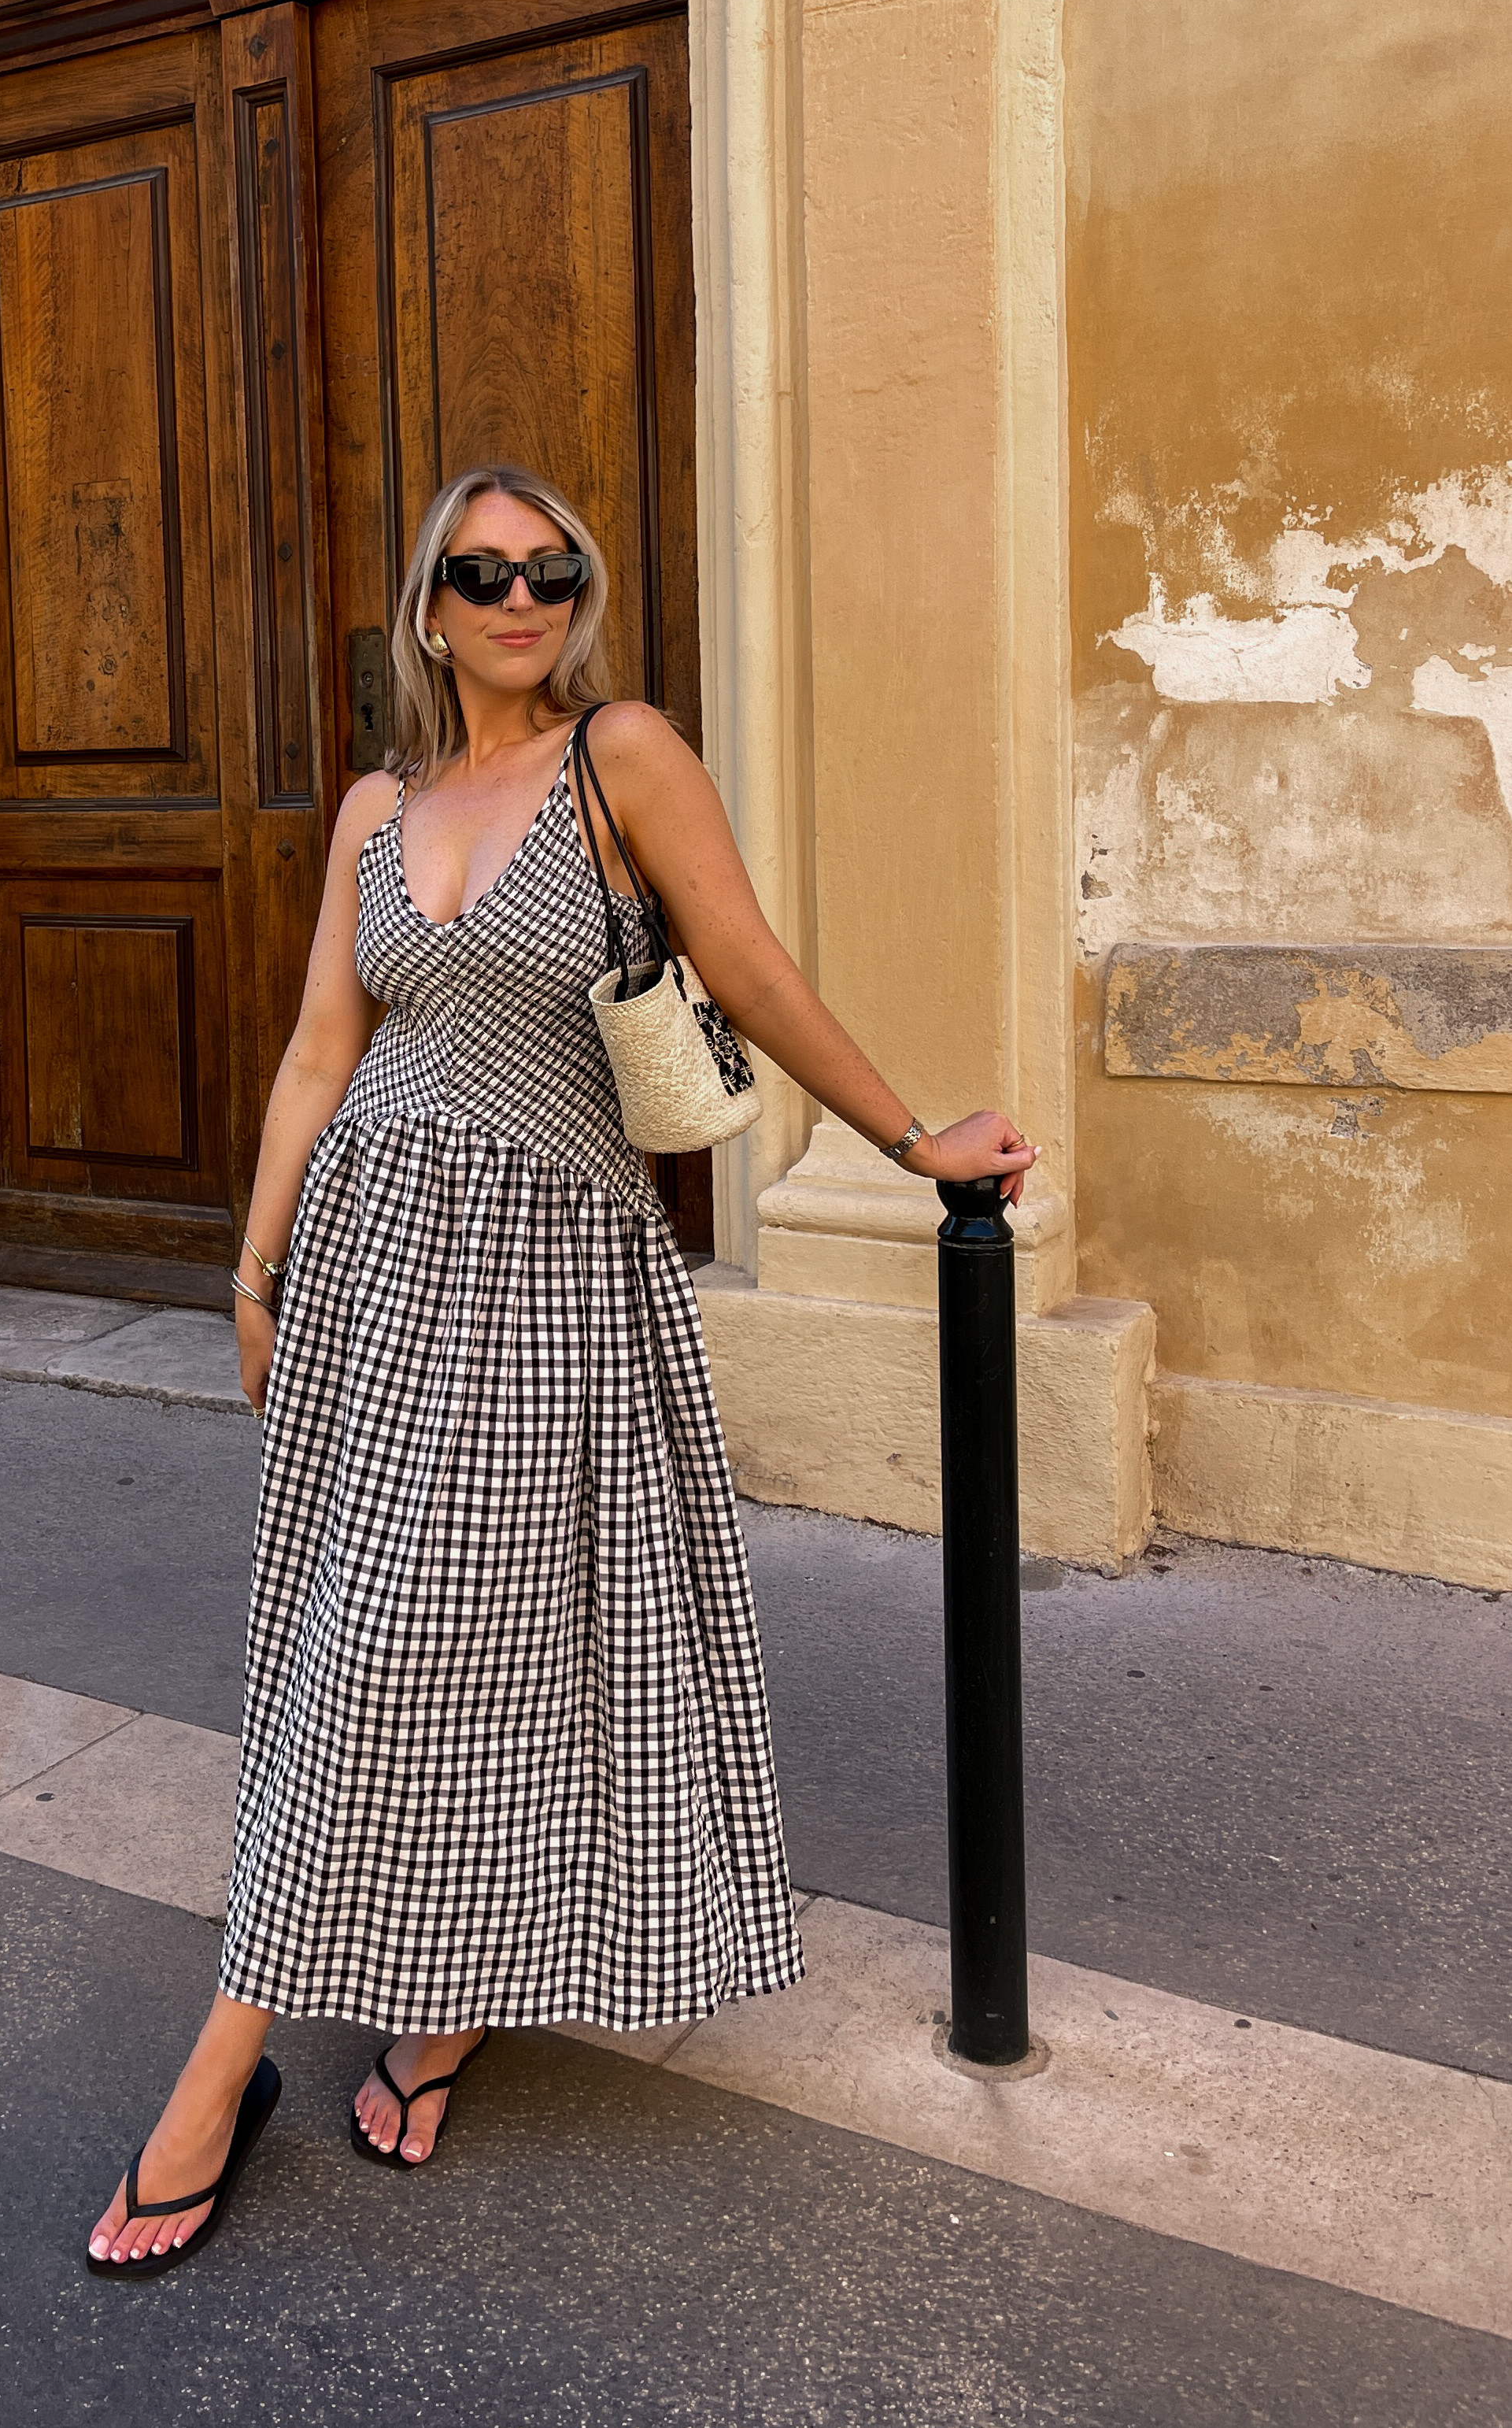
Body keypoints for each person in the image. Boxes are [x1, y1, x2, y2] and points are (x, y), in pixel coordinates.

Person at [88, 464, 1035, 2273]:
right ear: (429, 610)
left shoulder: (625, 756)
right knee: (397, 1638)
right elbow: (318, 1048)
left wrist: (914, 1139)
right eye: (482, 572)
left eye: (551, 570)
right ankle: (441, 1995)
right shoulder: (376, 804)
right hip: (369, 1269)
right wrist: (255, 1260)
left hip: (544, 1279)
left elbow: (748, 971)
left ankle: (217, 2070)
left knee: (412, 1644)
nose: (520, 598)